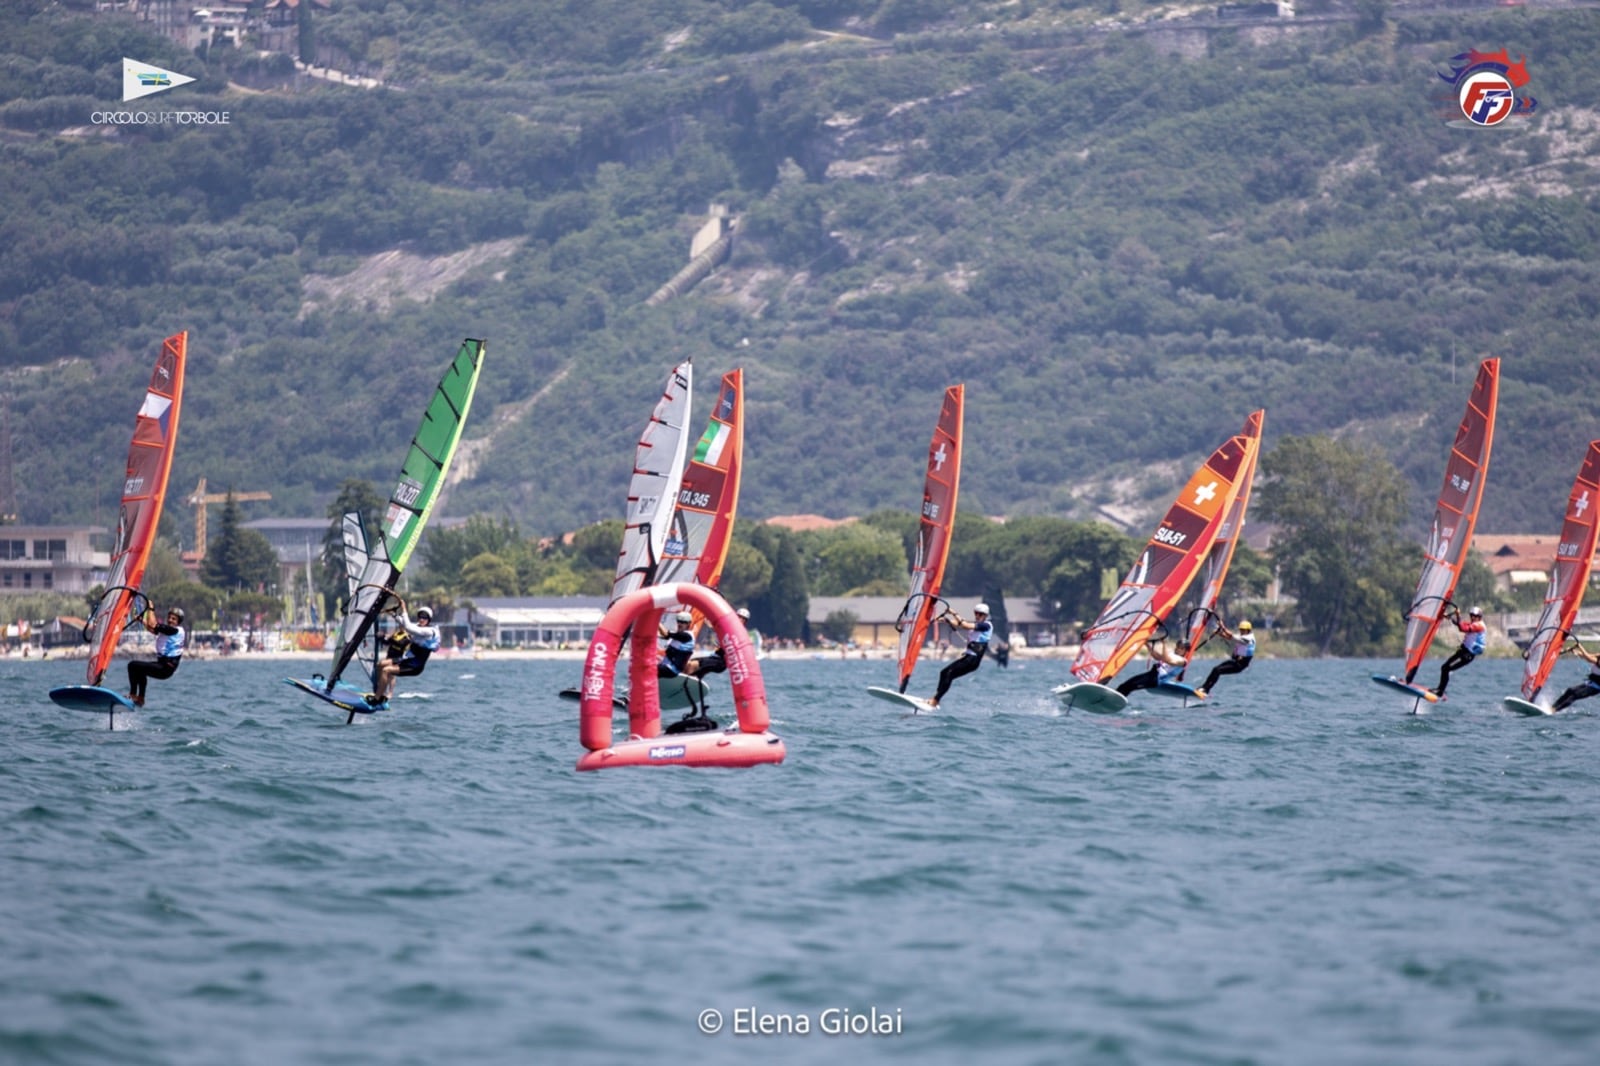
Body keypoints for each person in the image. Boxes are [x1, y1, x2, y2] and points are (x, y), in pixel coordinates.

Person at [371, 604, 441, 704]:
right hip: (406, 659)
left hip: (414, 667)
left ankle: (376, 700)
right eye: (420, 617)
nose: (422, 619)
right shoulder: (418, 627)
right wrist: (394, 614)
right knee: (380, 665)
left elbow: (408, 627)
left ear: (429, 620)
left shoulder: (429, 632)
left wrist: (403, 608)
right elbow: (404, 622)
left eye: (425, 618)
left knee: (386, 670)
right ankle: (379, 692)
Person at [928, 603, 992, 708]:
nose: (977, 616)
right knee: (944, 673)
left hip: (972, 660)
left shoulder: (986, 625)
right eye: (976, 613)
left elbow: (965, 625)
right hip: (969, 658)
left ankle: (935, 700)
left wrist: (954, 613)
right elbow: (959, 623)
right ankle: (936, 699)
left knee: (948, 673)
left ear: (985, 616)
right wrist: (943, 620)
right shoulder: (976, 625)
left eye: (980, 614)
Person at [127, 606, 185, 707]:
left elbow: (154, 625)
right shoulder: (169, 631)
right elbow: (152, 629)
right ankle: (140, 699)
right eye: (169, 618)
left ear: (178, 622)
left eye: (174, 619)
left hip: (165, 668)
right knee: (139, 670)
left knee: (132, 666)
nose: (170, 620)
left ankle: (133, 695)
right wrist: (141, 620)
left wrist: (151, 609)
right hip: (162, 666)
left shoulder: (175, 630)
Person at [1431, 605, 1485, 698]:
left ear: (1479, 617)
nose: (1472, 618)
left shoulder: (1479, 625)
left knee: (1445, 668)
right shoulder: (1474, 624)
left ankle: (1440, 691)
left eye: (1475, 616)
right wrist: (1450, 617)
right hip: (1463, 651)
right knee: (1444, 668)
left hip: (1467, 655)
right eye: (1471, 615)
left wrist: (1458, 615)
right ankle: (1439, 690)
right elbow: (1462, 624)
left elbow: (1462, 628)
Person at [1195, 619, 1254, 699]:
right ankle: (1204, 688)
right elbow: (1230, 637)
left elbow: (1231, 636)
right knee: (1215, 669)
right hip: (1235, 662)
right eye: (1241, 630)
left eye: (1244, 630)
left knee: (1218, 671)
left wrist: (1222, 627)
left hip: (1240, 665)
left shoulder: (1249, 639)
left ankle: (1206, 689)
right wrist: (1219, 633)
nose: (1242, 631)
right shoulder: (1244, 637)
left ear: (1248, 630)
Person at [1116, 637, 1190, 696]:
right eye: (1178, 646)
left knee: (1129, 686)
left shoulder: (1182, 661)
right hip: (1151, 674)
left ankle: (1116, 700)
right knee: (1125, 684)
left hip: (1155, 679)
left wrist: (1164, 644)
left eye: (1181, 648)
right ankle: (1115, 695)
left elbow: (1167, 660)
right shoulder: (1172, 654)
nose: (1178, 649)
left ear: (1186, 651)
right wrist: (1147, 645)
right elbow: (1157, 657)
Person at [690, 607, 751, 676]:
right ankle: (691, 680)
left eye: (743, 619)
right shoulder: (729, 627)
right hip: (715, 657)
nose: (740, 619)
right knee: (692, 663)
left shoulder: (741, 634)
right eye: (739, 617)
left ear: (745, 622)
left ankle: (688, 680)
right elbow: (718, 627)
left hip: (721, 662)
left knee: (695, 664)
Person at [1551, 643, 1600, 712]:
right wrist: (1575, 652)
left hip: (1595, 688)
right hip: (1590, 683)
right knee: (1570, 690)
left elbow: (1589, 658)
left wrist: (1580, 646)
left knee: (1575, 695)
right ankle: (1552, 706)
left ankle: (1554, 710)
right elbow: (1587, 656)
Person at [658, 609, 696, 679]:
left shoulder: (686, 636)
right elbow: (665, 635)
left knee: (647, 668)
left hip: (670, 669)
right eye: (678, 621)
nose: (679, 624)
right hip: (667, 667)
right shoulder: (680, 635)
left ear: (688, 624)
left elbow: (666, 634)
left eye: (683, 622)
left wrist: (656, 620)